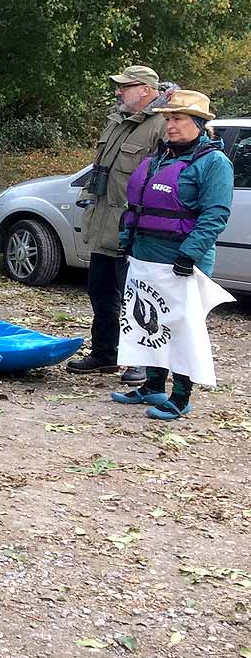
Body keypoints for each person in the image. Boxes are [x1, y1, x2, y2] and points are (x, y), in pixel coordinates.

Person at [111, 90, 232, 420]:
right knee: (148, 320)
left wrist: (189, 254)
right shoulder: (159, 157)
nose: (170, 126)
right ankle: (152, 385)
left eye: (177, 119)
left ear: (198, 123)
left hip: (182, 261)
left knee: (181, 327)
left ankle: (181, 396)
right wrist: (126, 241)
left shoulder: (214, 164)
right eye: (167, 119)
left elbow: (215, 215)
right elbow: (134, 206)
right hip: (145, 255)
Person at [68, 65, 171, 384]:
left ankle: (142, 360)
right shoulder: (117, 122)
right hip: (104, 225)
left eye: (124, 87)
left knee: (140, 297)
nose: (118, 92)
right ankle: (105, 353)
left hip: (134, 229)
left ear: (146, 89)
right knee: (100, 293)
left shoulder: (162, 126)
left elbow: (164, 180)